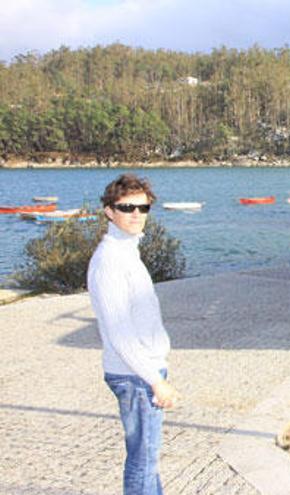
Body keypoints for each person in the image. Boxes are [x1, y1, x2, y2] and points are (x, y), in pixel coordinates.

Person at [88, 173, 181, 495]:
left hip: (141, 371)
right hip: (135, 376)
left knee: (147, 459)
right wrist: (155, 380)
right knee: (142, 461)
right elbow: (119, 332)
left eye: (143, 209)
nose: (136, 215)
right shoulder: (110, 261)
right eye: (127, 208)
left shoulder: (127, 251)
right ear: (109, 211)